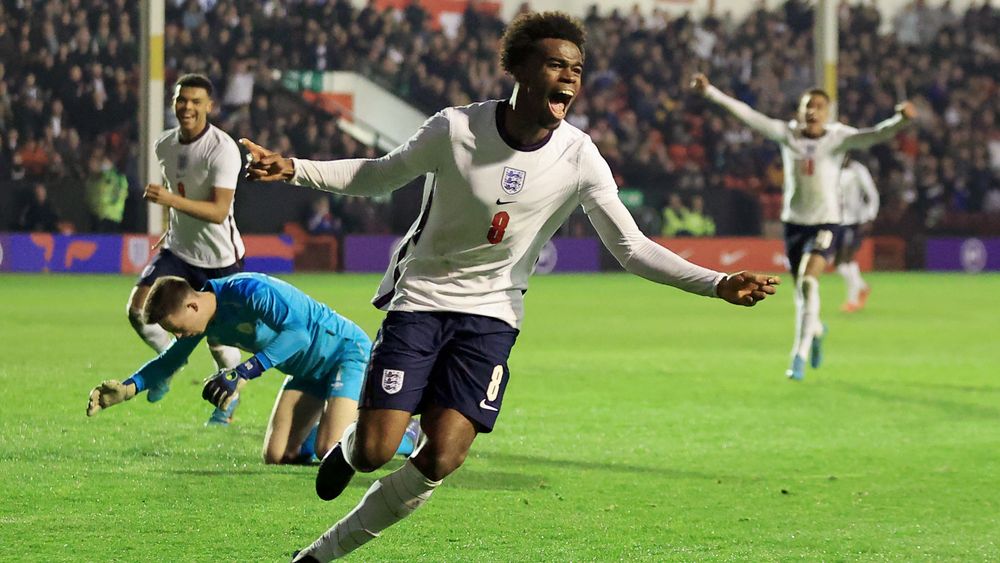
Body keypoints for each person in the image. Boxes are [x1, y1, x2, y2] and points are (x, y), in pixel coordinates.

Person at [243, 12, 779, 562]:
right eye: (555, 65)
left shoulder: (578, 155)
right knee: (379, 447)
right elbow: (380, 174)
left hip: (493, 315)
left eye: (576, 68)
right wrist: (293, 168)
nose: (569, 78)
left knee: (443, 457)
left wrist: (717, 283)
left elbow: (632, 248)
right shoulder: (454, 129)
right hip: (423, 298)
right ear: (519, 69)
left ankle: (319, 555)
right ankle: (352, 449)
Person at [691, 73, 915, 381]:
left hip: (826, 222)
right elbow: (748, 115)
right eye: (808, 106)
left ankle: (799, 354)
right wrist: (711, 92)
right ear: (800, 110)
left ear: (828, 112)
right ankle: (818, 329)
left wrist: (900, 121)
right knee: (801, 291)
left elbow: (874, 134)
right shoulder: (789, 134)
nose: (813, 111)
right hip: (794, 224)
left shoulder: (838, 137)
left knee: (810, 283)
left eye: (819, 106)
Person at [86, 273, 421, 464]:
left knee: (330, 451)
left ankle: (408, 435)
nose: (178, 334)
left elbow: (299, 335)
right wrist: (128, 389)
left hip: (344, 352)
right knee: (277, 455)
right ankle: (337, 422)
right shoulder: (204, 323)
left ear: (192, 304)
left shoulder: (250, 291)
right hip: (305, 371)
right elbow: (170, 360)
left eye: (176, 326)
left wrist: (242, 372)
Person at [127, 73, 247, 425]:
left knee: (217, 340)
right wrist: (170, 228)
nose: (187, 107)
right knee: (138, 310)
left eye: (196, 101)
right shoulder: (164, 145)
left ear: (209, 107)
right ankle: (169, 363)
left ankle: (229, 397)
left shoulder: (222, 149)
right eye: (182, 100)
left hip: (219, 258)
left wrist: (170, 200)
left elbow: (218, 211)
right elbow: (182, 193)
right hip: (179, 249)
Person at [836, 158, 879, 312]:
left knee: (847, 258)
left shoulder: (857, 169)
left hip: (853, 221)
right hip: (835, 220)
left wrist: (870, 216)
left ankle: (852, 301)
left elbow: (871, 193)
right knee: (839, 265)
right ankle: (862, 287)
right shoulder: (831, 165)